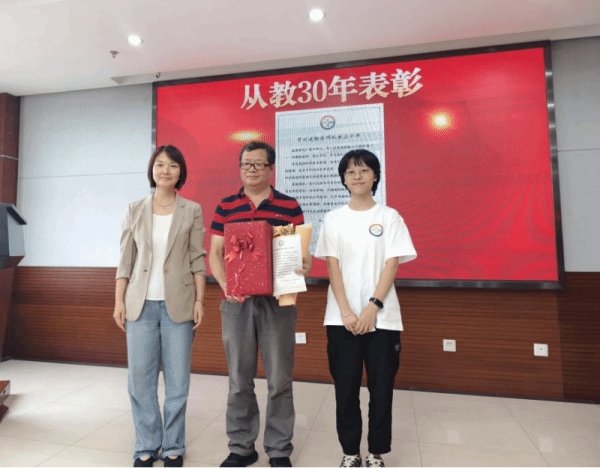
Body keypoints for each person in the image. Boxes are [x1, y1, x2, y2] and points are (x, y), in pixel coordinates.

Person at [208, 141, 309, 468]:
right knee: (239, 379)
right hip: (236, 303)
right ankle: (241, 448)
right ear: (240, 168)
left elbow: (298, 253)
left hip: (278, 303)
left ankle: (278, 450)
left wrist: (303, 265)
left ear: (270, 168)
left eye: (258, 164)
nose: (251, 169)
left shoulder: (289, 206)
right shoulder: (226, 206)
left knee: (279, 379)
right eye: (246, 164)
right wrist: (227, 286)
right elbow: (215, 254)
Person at [314, 149, 417, 468]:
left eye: (363, 170)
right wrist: (346, 311)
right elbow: (332, 265)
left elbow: (391, 263)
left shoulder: (389, 217)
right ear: (343, 179)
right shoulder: (333, 218)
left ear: (375, 176)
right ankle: (350, 452)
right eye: (350, 172)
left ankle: (375, 453)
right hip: (340, 319)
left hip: (383, 319)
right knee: (345, 390)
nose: (357, 176)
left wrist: (373, 307)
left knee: (381, 390)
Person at [114, 144, 207, 468]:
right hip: (139, 305)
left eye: (172, 166)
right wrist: (118, 300)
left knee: (178, 382)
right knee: (140, 381)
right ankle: (146, 444)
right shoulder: (135, 209)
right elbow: (125, 260)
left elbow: (197, 259)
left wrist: (200, 300)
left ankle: (173, 446)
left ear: (181, 172)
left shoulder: (191, 210)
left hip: (178, 304)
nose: (165, 170)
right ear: (152, 170)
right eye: (160, 165)